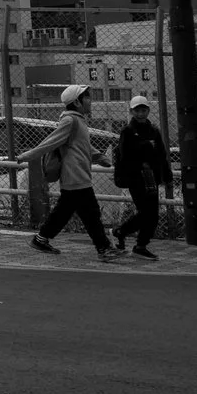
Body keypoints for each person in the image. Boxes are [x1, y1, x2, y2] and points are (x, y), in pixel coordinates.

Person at [19, 84, 120, 261]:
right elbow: (50, 142)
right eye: (87, 97)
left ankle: (40, 239)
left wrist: (100, 157)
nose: (90, 100)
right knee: (91, 213)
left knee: (64, 211)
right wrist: (27, 155)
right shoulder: (70, 121)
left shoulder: (79, 120)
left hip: (78, 175)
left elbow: (83, 146)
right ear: (77, 102)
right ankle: (104, 248)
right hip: (75, 176)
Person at [110, 95, 174, 260]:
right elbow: (125, 155)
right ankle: (130, 238)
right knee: (147, 212)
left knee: (152, 214)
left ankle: (132, 239)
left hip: (151, 178)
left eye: (143, 109)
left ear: (148, 110)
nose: (140, 113)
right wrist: (145, 148)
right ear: (132, 111)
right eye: (137, 110)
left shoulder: (154, 131)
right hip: (136, 178)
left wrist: (167, 175)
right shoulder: (128, 131)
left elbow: (161, 155)